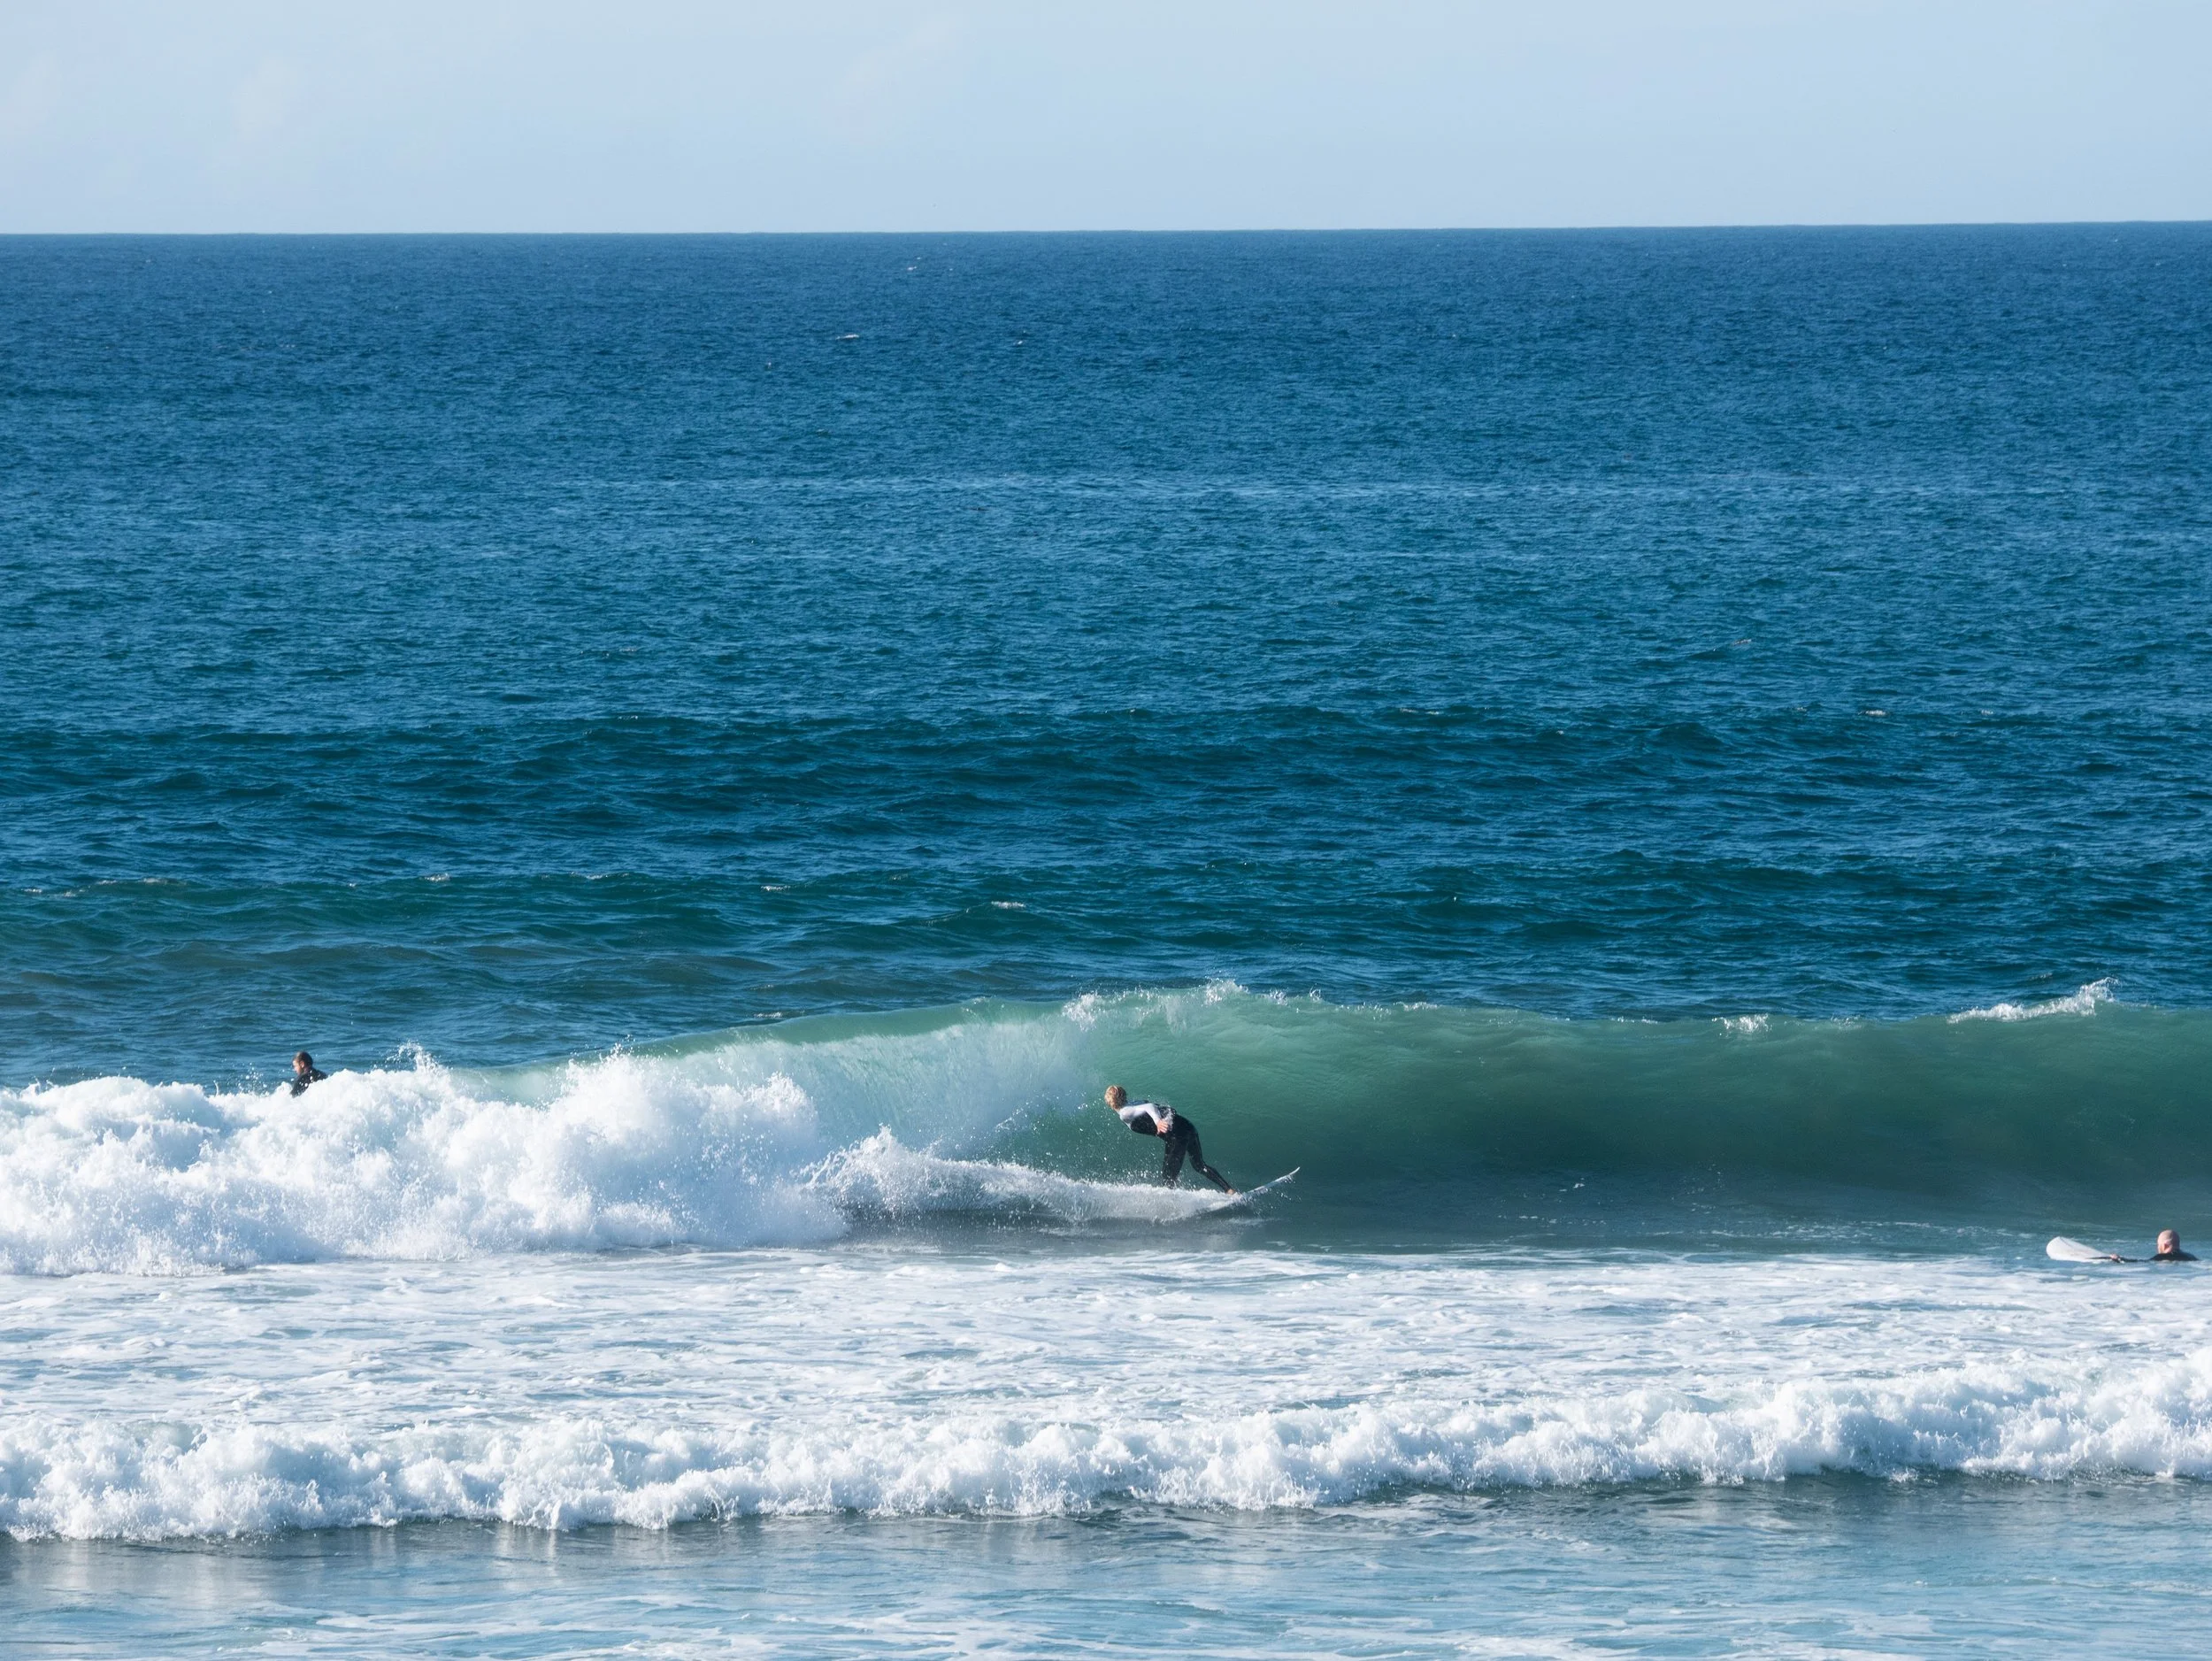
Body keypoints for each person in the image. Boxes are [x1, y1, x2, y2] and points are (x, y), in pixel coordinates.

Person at [1102, 1084, 1233, 1193]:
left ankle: (1174, 1211)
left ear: (1111, 1103)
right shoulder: (1134, 1104)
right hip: (1186, 1126)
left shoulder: (1125, 1113)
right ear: (1124, 1095)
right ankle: (1229, 1191)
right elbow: (1151, 1105)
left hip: (1177, 1136)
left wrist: (1158, 1122)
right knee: (1200, 1166)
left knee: (1167, 1178)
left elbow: (1150, 1107)